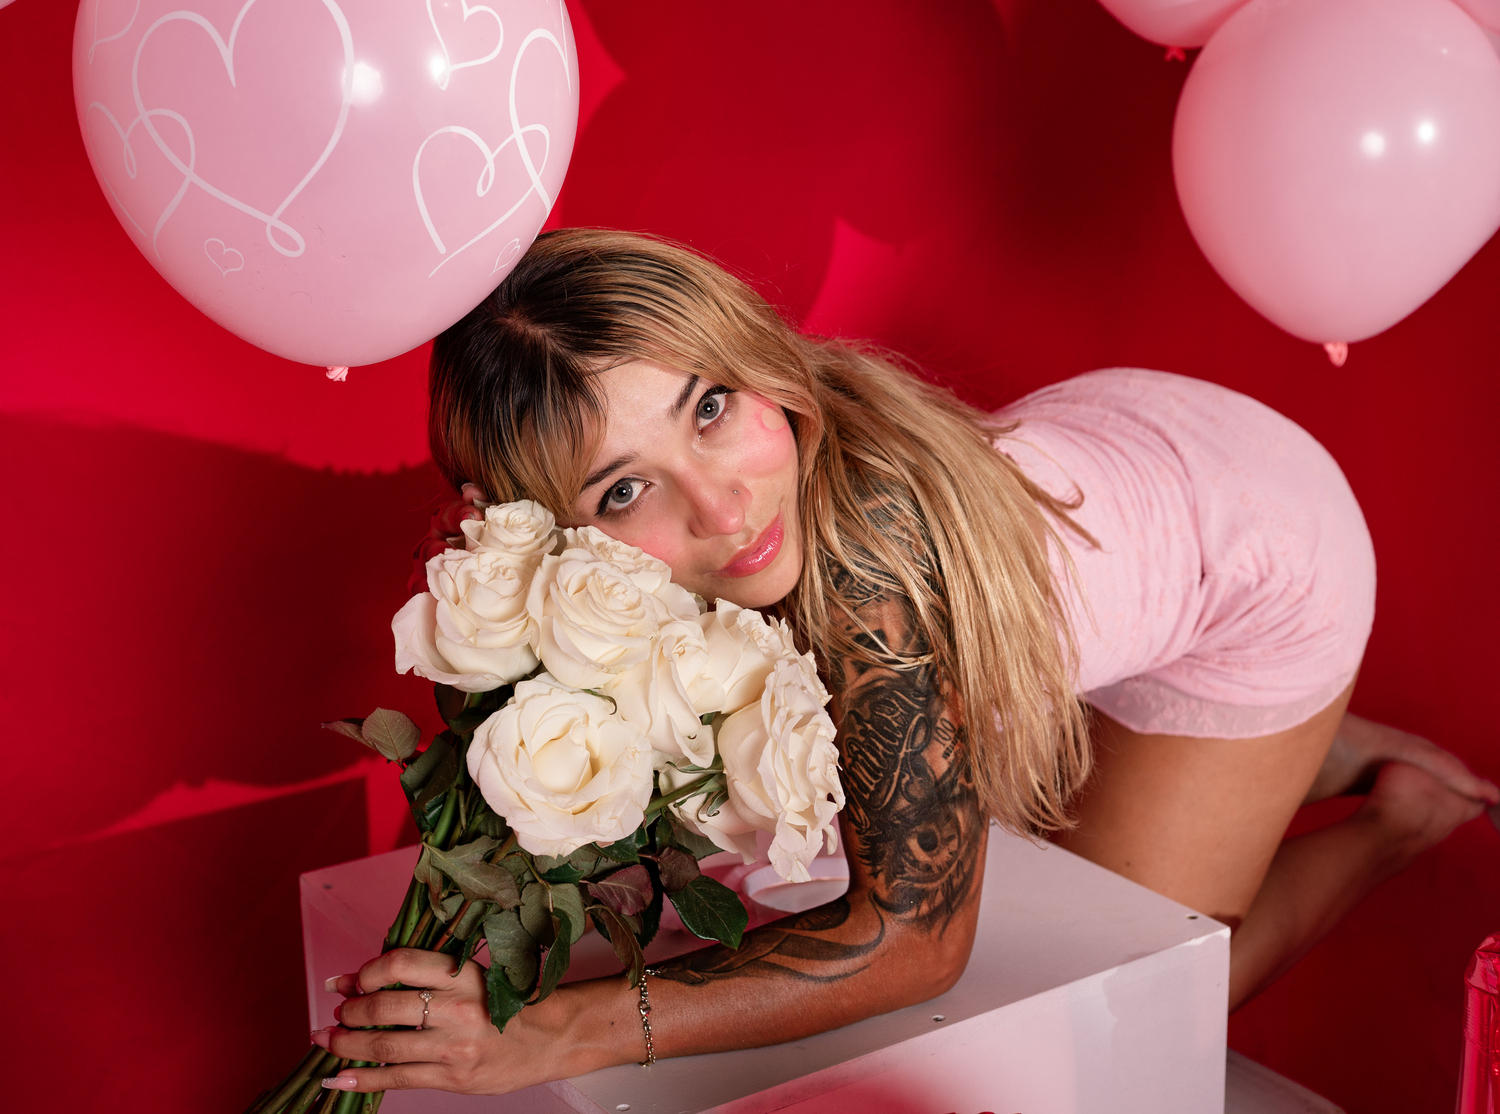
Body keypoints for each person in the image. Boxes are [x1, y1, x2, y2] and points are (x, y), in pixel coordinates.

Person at [312, 228, 1498, 1096]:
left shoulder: (871, 579)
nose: (722, 507)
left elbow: (914, 942)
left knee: (1154, 982)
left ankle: (1395, 811)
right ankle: (1281, 747)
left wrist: (552, 1033)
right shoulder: (623, 565)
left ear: (756, 357)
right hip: (1120, 462)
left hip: (1253, 549)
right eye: (625, 489)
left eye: (710, 407)